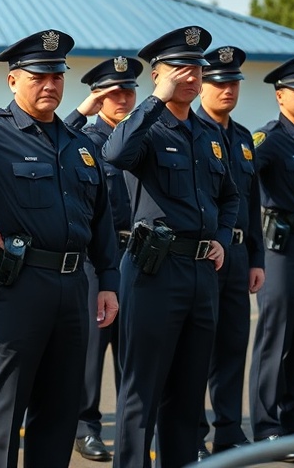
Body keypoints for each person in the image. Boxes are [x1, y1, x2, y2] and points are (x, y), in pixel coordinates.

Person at [0, 29, 119, 468]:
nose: (50, 84)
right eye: (38, 75)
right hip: (19, 283)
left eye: (57, 76)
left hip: (73, 286)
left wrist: (109, 282)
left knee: (60, 408)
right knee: (7, 406)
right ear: (13, 81)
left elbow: (100, 220)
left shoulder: (79, 145)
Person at [103, 26, 240, 468]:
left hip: (202, 275)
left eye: (197, 66)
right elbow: (115, 154)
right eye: (180, 67)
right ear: (159, 74)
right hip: (153, 272)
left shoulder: (207, 132)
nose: (192, 75)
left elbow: (231, 196)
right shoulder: (144, 126)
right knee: (142, 390)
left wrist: (220, 240)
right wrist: (154, 99)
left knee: (186, 392)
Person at [63, 56, 143, 462]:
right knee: (94, 348)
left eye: (129, 91)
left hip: (141, 255)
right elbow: (54, 137)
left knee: (133, 350)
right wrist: (82, 112)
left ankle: (134, 427)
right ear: (98, 98)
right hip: (98, 258)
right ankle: (86, 425)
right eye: (113, 93)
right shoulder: (86, 140)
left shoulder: (143, 138)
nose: (123, 98)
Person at [248, 54, 294, 464]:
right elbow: (241, 183)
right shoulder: (269, 139)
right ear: (280, 96)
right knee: (275, 337)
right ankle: (268, 427)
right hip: (283, 248)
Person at [194, 46, 265, 459]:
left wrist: (256, 257)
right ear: (202, 84)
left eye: (233, 82)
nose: (227, 89)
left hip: (237, 258)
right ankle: (194, 432)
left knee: (232, 345)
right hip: (202, 255)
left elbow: (249, 204)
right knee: (198, 349)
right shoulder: (192, 131)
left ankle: (227, 430)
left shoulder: (242, 139)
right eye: (219, 82)